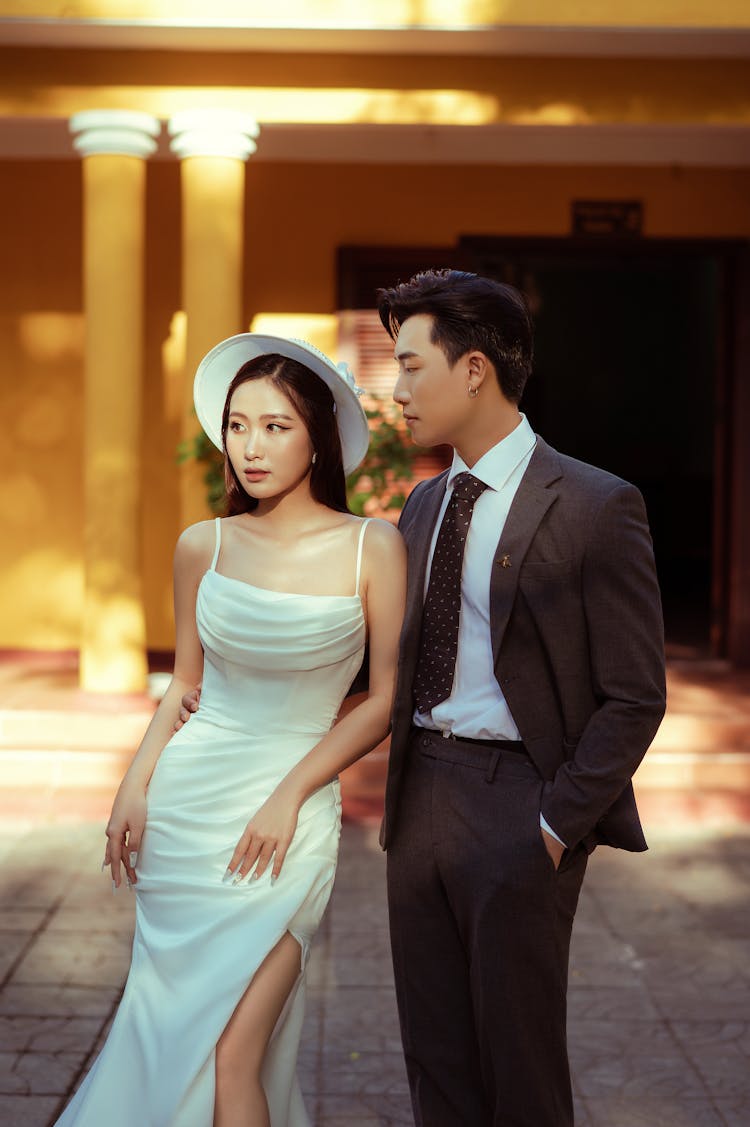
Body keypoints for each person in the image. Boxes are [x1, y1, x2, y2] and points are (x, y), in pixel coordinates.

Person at [54, 335, 406, 1127]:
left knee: (234, 1052)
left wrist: (292, 792)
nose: (251, 445)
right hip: (187, 813)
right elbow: (186, 682)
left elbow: (384, 699)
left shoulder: (372, 546)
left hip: (289, 816)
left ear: (317, 435)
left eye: (276, 426)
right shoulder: (201, 546)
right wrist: (134, 784)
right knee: (175, 1030)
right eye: (239, 425)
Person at [377, 269, 666, 1127]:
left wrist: (553, 823)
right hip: (417, 795)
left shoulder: (594, 503)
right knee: (435, 1058)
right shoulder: (424, 503)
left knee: (521, 1063)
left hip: (519, 805)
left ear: (473, 369)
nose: (397, 393)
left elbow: (633, 694)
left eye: (411, 367)